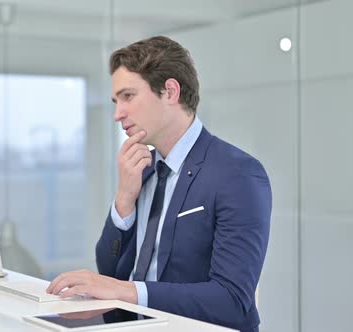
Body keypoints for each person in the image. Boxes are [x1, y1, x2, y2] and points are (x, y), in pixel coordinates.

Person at [46, 36, 271, 332]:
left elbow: (231, 300)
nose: (118, 114)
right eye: (116, 101)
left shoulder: (238, 173)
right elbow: (111, 271)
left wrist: (127, 291)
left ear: (170, 91)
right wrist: (124, 199)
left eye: (128, 96)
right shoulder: (145, 170)